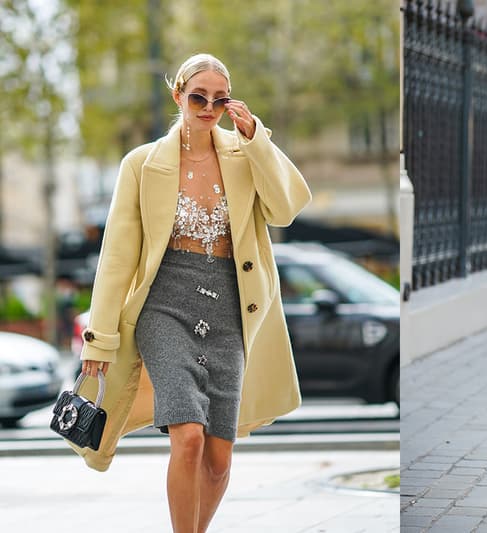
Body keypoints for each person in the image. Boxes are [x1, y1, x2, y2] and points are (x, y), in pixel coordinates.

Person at [74, 53, 311, 532]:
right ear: (178, 94)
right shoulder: (141, 164)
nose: (207, 108)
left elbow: (286, 208)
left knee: (219, 457)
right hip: (163, 308)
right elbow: (117, 256)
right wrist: (98, 340)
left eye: (219, 100)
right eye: (198, 97)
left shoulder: (246, 154)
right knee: (188, 437)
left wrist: (256, 138)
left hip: (230, 309)